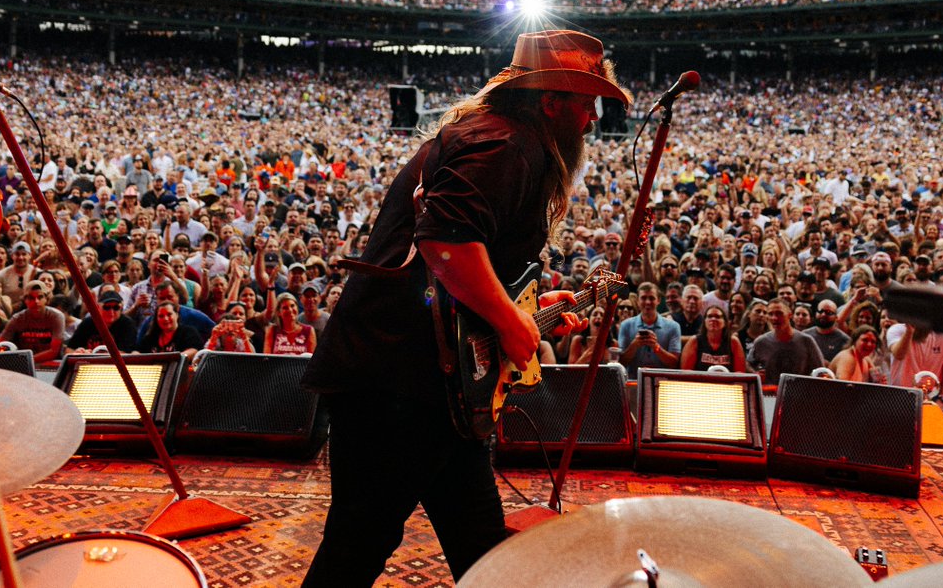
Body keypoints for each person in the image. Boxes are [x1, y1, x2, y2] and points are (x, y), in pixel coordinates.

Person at [299, 30, 612, 585]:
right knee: (359, 542)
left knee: (480, 545)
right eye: (586, 104)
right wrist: (513, 321)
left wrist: (526, 305)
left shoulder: (498, 135)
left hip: (428, 384)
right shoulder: (508, 145)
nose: (592, 119)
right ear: (550, 103)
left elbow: (466, 258)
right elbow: (444, 241)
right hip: (400, 384)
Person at [747, 297, 824, 385]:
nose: (774, 318)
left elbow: (820, 371)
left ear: (789, 315)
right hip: (770, 394)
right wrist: (755, 374)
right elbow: (748, 364)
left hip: (800, 394)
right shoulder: (761, 342)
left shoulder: (806, 340)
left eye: (779, 313)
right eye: (770, 314)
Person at [0, 280, 65, 365]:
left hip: (48, 364)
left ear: (46, 299)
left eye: (40, 297)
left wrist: (25, 361)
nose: (36, 301)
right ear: (25, 300)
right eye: (31, 298)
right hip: (24, 365)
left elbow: (54, 351)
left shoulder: (56, 316)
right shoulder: (18, 318)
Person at [617, 282, 682, 376]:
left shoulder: (673, 326)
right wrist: (634, 345)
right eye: (643, 298)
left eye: (651, 298)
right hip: (633, 381)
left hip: (662, 382)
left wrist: (656, 347)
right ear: (638, 301)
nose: (647, 302)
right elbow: (621, 362)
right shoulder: (626, 325)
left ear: (658, 300)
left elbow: (674, 363)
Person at [65, 291, 137, 353]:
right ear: (98, 307)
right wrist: (78, 353)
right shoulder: (88, 323)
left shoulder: (127, 324)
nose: (111, 312)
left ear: (121, 308)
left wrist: (93, 355)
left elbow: (127, 354)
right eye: (106, 307)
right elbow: (69, 350)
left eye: (116, 307)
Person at [680, 305, 746, 372]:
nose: (713, 319)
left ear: (725, 322)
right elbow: (686, 372)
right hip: (700, 382)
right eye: (709, 316)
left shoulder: (733, 342)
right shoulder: (694, 341)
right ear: (704, 321)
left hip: (726, 382)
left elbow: (739, 372)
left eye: (717, 317)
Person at [136, 301, 203, 361]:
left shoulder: (188, 332)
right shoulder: (151, 337)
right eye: (161, 316)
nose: (165, 318)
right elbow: (139, 353)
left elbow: (194, 351)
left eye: (169, 314)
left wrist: (170, 359)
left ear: (177, 315)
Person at [803, 299, 850, 363]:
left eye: (828, 313)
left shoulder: (845, 341)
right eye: (820, 311)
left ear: (836, 317)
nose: (823, 315)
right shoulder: (805, 335)